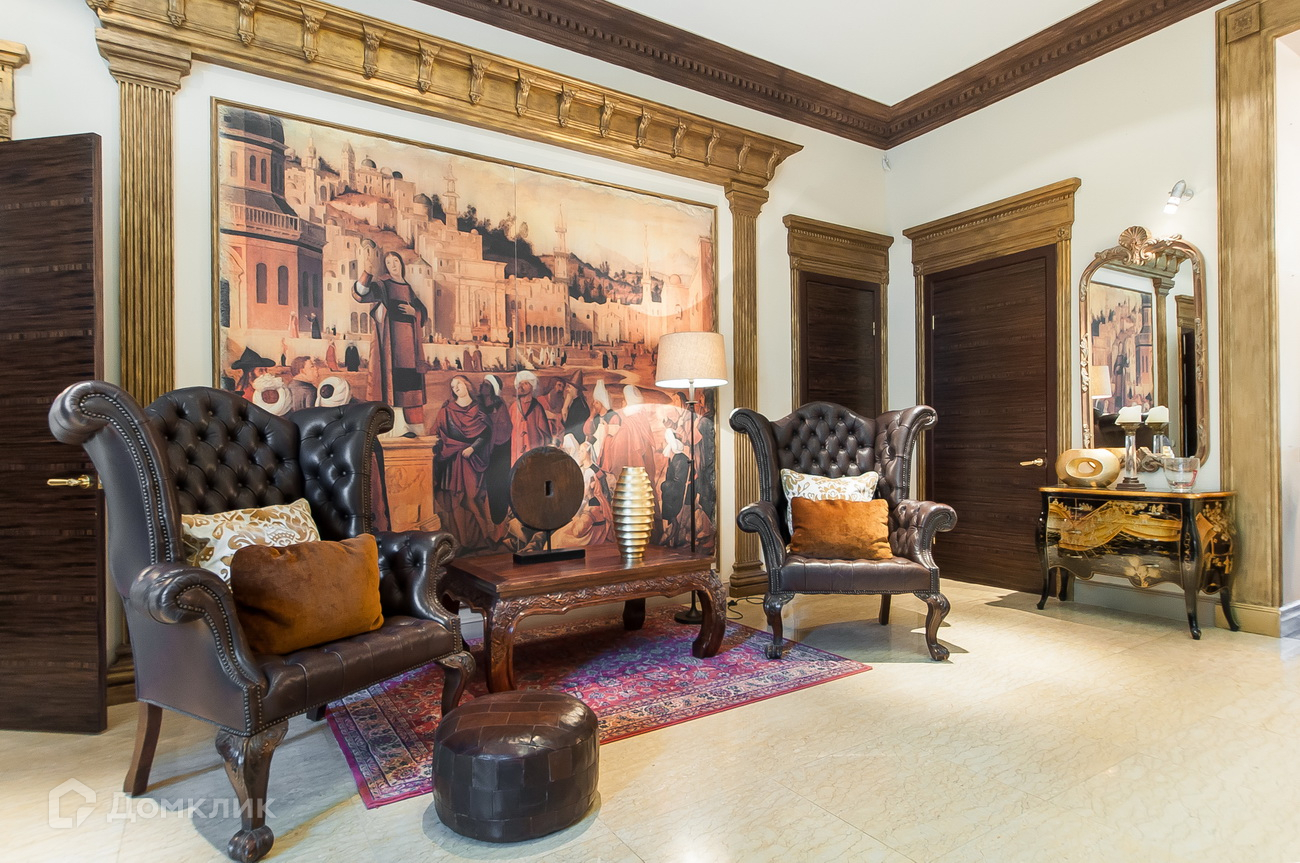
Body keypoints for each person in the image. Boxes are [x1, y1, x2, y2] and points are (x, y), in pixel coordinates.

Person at [353, 245, 429, 435]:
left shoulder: (408, 288)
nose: (393, 265)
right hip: (392, 343)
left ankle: (412, 427)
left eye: (395, 261)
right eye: (388, 263)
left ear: (401, 264)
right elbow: (360, 295)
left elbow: (423, 313)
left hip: (410, 346)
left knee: (410, 385)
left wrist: (414, 312)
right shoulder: (382, 285)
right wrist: (367, 273)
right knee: (392, 384)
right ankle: (395, 428)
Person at [431, 375, 491, 548]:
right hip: (452, 459)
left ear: (467, 385)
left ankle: (484, 536)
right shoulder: (447, 410)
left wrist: (472, 448)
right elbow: (436, 431)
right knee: (455, 499)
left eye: (459, 384)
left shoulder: (479, 410)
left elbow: (486, 433)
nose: (456, 388)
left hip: (471, 459)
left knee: (471, 499)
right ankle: (462, 542)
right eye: (453, 386)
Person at [478, 374, 513, 530]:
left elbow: (505, 430)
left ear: (493, 388)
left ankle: (499, 520)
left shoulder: (499, 405)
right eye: (483, 384)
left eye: (486, 385)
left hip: (498, 451)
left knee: (497, 484)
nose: (482, 387)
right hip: (483, 450)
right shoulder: (478, 402)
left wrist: (489, 421)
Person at [508, 370, 557, 463]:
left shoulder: (537, 407)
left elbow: (545, 433)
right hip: (517, 451)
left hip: (532, 451)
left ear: (532, 387)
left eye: (525, 383)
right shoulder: (514, 407)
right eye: (520, 383)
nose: (521, 386)